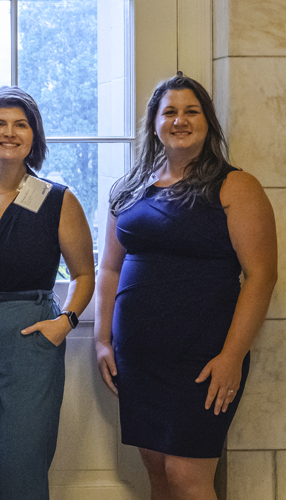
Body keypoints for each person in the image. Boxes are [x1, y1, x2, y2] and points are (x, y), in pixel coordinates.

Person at [94, 73, 278, 499]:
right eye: (170, 112)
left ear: (208, 122)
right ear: (155, 123)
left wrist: (232, 356)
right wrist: (102, 339)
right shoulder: (128, 190)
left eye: (191, 111)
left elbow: (261, 276)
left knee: (187, 479)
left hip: (204, 358)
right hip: (138, 358)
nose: (180, 120)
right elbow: (109, 270)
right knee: (158, 474)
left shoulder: (236, 186)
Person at [0, 86, 95, 500]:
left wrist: (66, 322)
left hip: (30, 335)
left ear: (33, 136)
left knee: (22, 461)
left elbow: (84, 274)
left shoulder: (58, 199)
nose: (9, 133)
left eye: (20, 125)